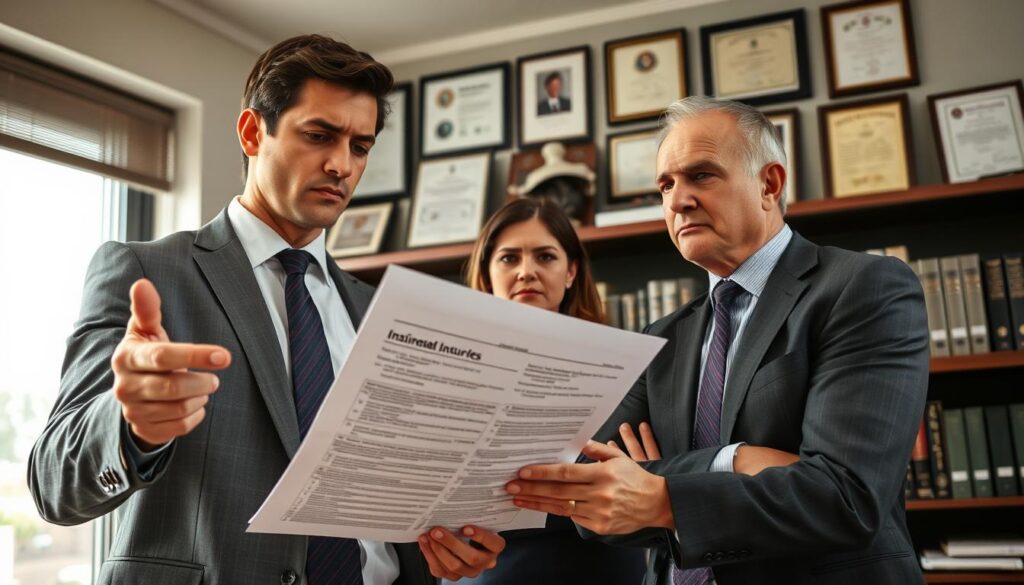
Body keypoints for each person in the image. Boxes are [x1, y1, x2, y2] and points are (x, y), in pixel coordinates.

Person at [28, 34, 503, 585]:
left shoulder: (379, 310)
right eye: (319, 135)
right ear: (253, 133)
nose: (341, 165)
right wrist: (130, 425)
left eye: (360, 146)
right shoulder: (146, 272)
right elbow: (52, 484)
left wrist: (443, 546)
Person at [504, 96, 930, 584]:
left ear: (769, 184)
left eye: (700, 176)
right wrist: (735, 459)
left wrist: (660, 491)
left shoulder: (862, 287)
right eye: (665, 184)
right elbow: (587, 490)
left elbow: (842, 498)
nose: (676, 200)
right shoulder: (660, 338)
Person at [438, 197, 644, 584]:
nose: (526, 272)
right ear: (486, 274)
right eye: (509, 258)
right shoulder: (451, 372)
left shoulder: (623, 364)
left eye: (545, 257)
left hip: (600, 565)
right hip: (486, 567)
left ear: (571, 272)